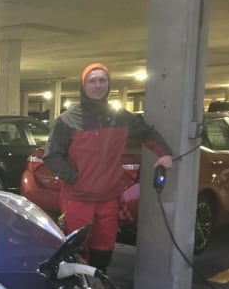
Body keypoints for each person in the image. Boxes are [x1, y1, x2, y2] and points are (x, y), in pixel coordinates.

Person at [43, 62, 173, 274]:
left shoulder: (120, 117)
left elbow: (147, 133)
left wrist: (165, 154)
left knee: (104, 246)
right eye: (92, 81)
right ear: (83, 86)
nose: (97, 85)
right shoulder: (67, 121)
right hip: (78, 198)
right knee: (77, 248)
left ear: (109, 84)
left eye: (102, 80)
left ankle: (100, 284)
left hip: (109, 197)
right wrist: (75, 178)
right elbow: (52, 156)